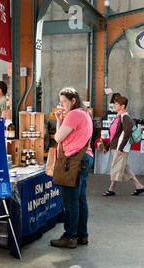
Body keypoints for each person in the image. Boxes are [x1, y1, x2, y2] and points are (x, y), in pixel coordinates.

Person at [50, 87, 94, 249]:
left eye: (64, 102)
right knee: (80, 200)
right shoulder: (85, 113)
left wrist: (59, 121)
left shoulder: (74, 114)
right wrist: (61, 119)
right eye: (60, 102)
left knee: (70, 202)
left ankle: (70, 237)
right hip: (84, 158)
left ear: (73, 100)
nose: (61, 105)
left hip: (74, 161)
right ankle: (82, 235)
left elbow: (58, 137)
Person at [102, 96, 144, 196]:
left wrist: (121, 147)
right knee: (124, 168)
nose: (114, 105)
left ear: (122, 106)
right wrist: (107, 147)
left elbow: (128, 132)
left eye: (116, 104)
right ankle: (139, 186)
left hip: (120, 148)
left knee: (116, 167)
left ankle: (111, 189)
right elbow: (113, 135)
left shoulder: (125, 117)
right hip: (116, 147)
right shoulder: (118, 117)